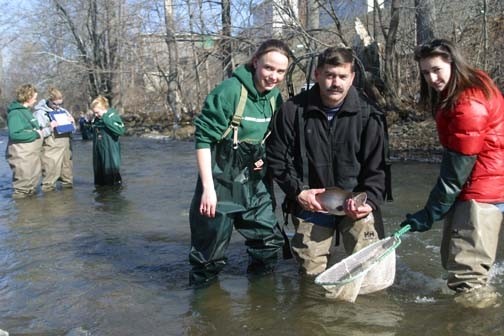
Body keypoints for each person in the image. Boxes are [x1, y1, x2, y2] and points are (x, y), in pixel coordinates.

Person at [267, 47, 388, 277]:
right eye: (330, 75)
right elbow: (277, 159)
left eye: (342, 77)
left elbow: (379, 167)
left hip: (356, 200)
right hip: (311, 202)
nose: (336, 83)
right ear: (317, 75)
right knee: (310, 277)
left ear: (352, 77)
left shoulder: (370, 114)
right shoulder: (292, 110)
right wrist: (299, 192)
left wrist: (369, 200)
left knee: (371, 270)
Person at [400, 39, 504, 303]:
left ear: (453, 63)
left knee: (467, 281)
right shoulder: (470, 84)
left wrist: (429, 213)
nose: (432, 78)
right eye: (425, 72)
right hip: (479, 187)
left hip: (481, 194)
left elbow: (455, 172)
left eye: (436, 69)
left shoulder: (468, 104)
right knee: (459, 265)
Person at [189, 39, 290, 286]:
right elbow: (202, 139)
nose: (273, 76)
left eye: (280, 71)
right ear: (256, 62)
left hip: (254, 182)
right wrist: (208, 190)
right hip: (220, 182)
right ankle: (205, 311)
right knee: (208, 258)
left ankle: (259, 301)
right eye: (268, 68)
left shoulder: (276, 98)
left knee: (269, 242)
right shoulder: (230, 91)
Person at [33, 87, 75, 191]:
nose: (57, 107)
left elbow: (73, 130)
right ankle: (50, 203)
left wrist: (72, 122)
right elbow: (38, 134)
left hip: (66, 146)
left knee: (67, 175)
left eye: (60, 104)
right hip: (50, 148)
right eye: (55, 104)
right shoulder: (40, 113)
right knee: (50, 176)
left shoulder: (63, 111)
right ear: (49, 101)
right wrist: (50, 127)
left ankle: (68, 201)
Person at [6, 84, 43, 198]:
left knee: (31, 185)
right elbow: (15, 134)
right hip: (21, 155)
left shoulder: (26, 111)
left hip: (31, 154)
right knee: (22, 188)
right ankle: (23, 213)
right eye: (35, 97)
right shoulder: (15, 113)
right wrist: (35, 134)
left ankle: (32, 213)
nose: (36, 100)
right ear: (28, 97)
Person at [90, 96, 125, 186]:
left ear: (104, 108)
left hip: (110, 152)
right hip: (99, 152)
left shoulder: (112, 116)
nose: (96, 115)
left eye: (97, 112)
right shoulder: (96, 119)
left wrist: (106, 119)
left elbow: (121, 131)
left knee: (112, 181)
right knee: (100, 181)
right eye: (94, 113)